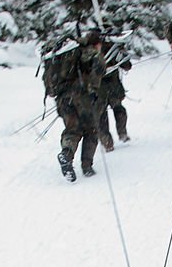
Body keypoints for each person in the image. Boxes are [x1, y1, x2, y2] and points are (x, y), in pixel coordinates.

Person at [55, 28, 105, 182]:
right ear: (97, 44)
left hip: (62, 98)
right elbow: (100, 69)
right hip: (82, 98)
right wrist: (93, 90)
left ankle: (66, 154)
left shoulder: (68, 54)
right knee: (91, 129)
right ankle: (87, 166)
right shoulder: (92, 53)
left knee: (72, 129)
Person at [98, 33, 132, 151]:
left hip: (106, 87)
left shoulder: (113, 48)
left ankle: (108, 141)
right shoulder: (113, 47)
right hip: (108, 87)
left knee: (104, 115)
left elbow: (126, 65)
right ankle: (119, 135)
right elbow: (127, 66)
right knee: (115, 111)